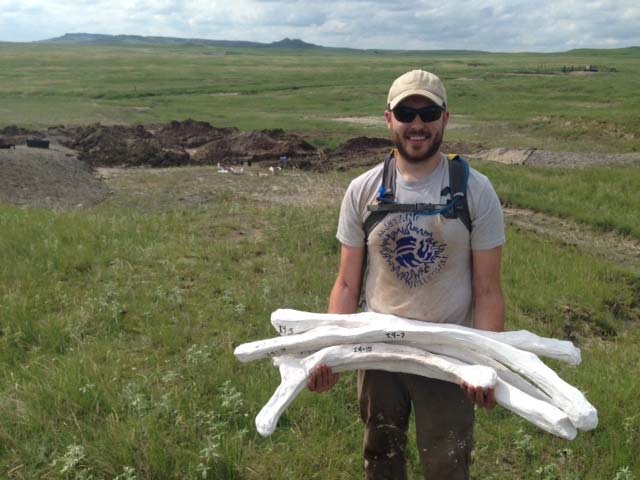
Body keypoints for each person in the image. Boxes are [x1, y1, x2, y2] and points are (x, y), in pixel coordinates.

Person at [307, 69, 505, 479]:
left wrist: (485, 365)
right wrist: (326, 353)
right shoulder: (363, 190)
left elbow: (487, 290)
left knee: (447, 465)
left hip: (449, 358)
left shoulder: (475, 191)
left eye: (428, 112)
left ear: (445, 119)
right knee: (381, 458)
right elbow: (346, 284)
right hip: (378, 356)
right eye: (406, 112)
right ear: (389, 119)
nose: (417, 124)